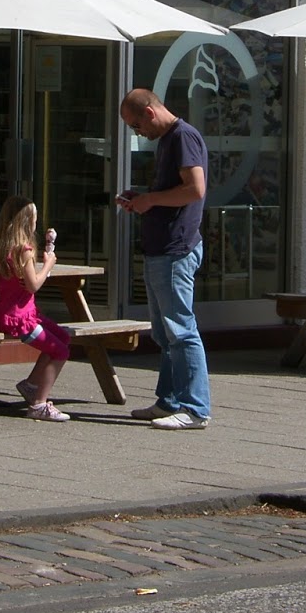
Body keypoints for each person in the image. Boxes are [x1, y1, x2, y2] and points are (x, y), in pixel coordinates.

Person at [117, 88, 211, 431]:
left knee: (181, 331)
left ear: (150, 113)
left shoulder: (182, 137)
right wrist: (144, 199)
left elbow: (195, 189)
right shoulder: (170, 139)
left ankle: (195, 408)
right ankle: (169, 401)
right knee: (165, 333)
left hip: (175, 249)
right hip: (162, 248)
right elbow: (176, 190)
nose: (137, 132)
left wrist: (151, 200)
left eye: (136, 125)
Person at [0, 196, 73, 422]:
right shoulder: (24, 250)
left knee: (62, 337)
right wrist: (48, 264)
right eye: (35, 218)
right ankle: (39, 404)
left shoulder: (5, 247)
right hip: (21, 320)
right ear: (27, 222)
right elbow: (34, 285)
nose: (37, 223)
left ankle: (31, 384)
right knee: (61, 351)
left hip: (10, 314)